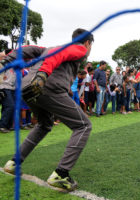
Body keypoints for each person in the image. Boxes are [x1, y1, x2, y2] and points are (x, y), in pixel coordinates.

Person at [2, 28, 94, 191]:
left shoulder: (49, 48)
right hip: (44, 86)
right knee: (83, 125)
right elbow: (58, 55)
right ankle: (61, 174)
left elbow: (28, 49)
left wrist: (7, 59)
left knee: (44, 124)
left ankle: (14, 162)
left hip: (27, 87)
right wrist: (43, 75)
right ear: (87, 43)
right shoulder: (79, 48)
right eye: (90, 45)